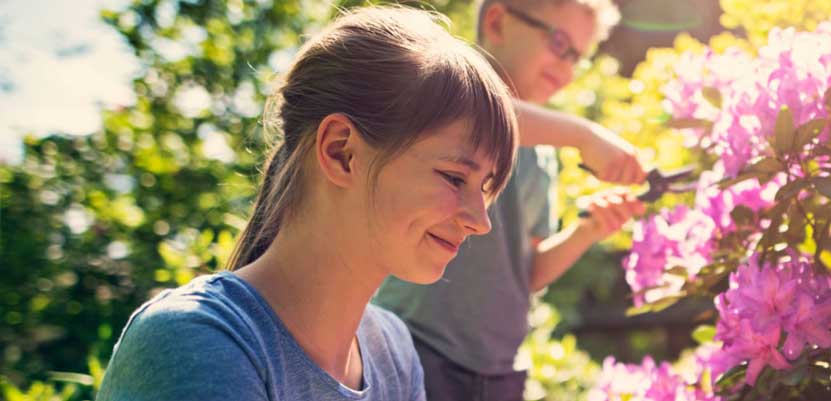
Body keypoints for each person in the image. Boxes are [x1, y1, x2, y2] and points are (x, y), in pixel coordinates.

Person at [97, 7, 517, 400]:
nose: (480, 222)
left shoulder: (395, 353)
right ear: (341, 152)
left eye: (484, 188)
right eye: (454, 177)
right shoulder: (193, 341)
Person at [370, 1, 645, 400]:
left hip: (498, 373)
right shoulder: (446, 94)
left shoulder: (542, 151)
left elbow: (527, 273)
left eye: (577, 58)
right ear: (498, 21)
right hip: (417, 350)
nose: (566, 69)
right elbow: (480, 112)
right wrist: (584, 135)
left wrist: (588, 229)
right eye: (558, 43)